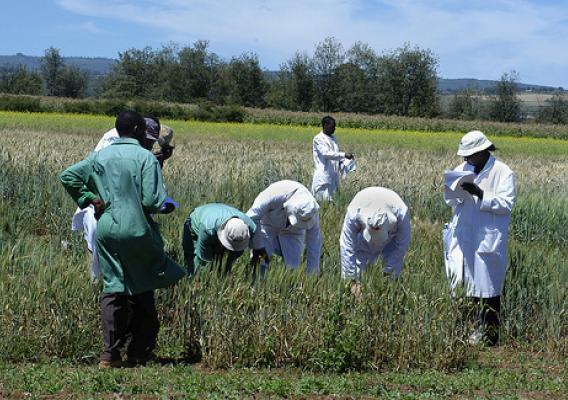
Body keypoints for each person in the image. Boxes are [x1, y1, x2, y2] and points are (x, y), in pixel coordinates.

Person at [60, 111, 186, 368]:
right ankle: (140, 350)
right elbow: (152, 201)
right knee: (144, 281)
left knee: (113, 287)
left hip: (106, 228)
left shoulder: (100, 155)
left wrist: (90, 199)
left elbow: (68, 176)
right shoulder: (145, 159)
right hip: (137, 228)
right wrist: (166, 206)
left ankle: (109, 354)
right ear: (139, 129)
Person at [71, 117, 174, 282]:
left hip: (118, 212)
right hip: (103, 210)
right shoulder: (113, 140)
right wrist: (90, 198)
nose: (148, 146)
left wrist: (158, 159)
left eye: (151, 142)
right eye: (147, 140)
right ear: (137, 130)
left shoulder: (133, 145)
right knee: (98, 258)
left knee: (112, 264)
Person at [443, 130, 516, 346]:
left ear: (483, 151)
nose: (466, 160)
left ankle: (491, 337)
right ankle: (467, 332)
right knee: (463, 286)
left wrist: (480, 193)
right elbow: (450, 201)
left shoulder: (503, 172)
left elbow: (506, 205)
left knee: (488, 289)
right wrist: (454, 192)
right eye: (464, 156)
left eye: (470, 155)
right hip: (463, 235)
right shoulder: (461, 169)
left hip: (487, 239)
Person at [340, 187, 411, 294]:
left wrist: (389, 272)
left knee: (388, 285)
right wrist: (351, 280)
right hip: (362, 243)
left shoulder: (401, 213)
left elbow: (400, 246)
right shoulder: (355, 210)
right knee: (357, 279)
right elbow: (347, 244)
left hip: (390, 245)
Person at [247, 180, 322, 275]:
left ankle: (288, 287)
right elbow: (251, 217)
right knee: (260, 263)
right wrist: (258, 247)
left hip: (293, 233)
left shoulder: (311, 210)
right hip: (267, 226)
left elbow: (314, 242)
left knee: (293, 269)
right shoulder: (273, 195)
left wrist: (312, 274)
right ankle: (256, 283)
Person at [182, 203, 256, 276]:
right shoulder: (208, 229)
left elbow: (236, 253)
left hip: (216, 221)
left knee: (222, 266)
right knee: (194, 262)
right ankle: (192, 279)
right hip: (196, 224)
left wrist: (226, 268)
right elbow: (203, 259)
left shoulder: (251, 228)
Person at [311, 116, 354, 201]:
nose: (334, 129)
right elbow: (326, 154)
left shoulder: (333, 138)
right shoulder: (318, 138)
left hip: (333, 176)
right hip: (323, 176)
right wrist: (344, 155)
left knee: (333, 201)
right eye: (332, 126)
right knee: (322, 201)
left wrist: (344, 163)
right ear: (325, 125)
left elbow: (335, 155)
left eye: (335, 126)